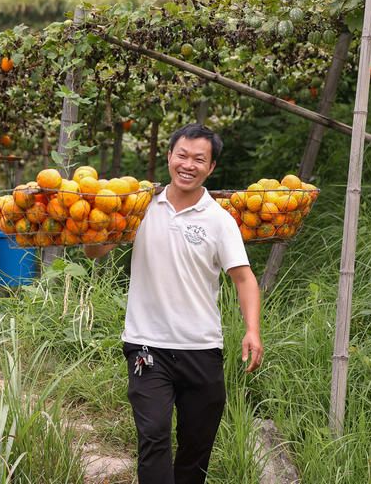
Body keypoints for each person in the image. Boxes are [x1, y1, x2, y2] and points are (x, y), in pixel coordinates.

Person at [84, 123, 263, 484]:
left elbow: (244, 279)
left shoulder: (219, 220)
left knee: (196, 446)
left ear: (211, 168)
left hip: (201, 347)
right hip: (147, 345)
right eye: (182, 155)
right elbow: (95, 251)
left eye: (199, 159)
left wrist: (252, 331)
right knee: (153, 436)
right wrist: (95, 223)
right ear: (169, 157)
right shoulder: (140, 205)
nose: (188, 164)